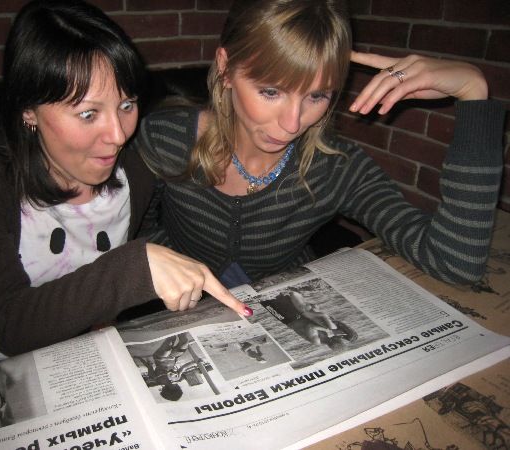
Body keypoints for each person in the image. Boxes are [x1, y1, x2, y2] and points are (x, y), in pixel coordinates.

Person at [0, 0, 251, 362]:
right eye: (88, 114)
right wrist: (134, 269)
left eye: (126, 105)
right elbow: (8, 326)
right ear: (28, 110)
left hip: (99, 356)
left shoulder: (137, 165)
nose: (118, 136)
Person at [136, 0, 505, 288]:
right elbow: (137, 234)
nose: (293, 123)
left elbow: (454, 263)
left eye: (317, 96)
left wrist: (473, 92)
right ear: (225, 68)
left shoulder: (335, 167)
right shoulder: (164, 139)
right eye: (271, 91)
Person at [136, 334, 198, 401]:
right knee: (184, 342)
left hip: (161, 358)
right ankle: (181, 332)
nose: (177, 385)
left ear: (170, 389)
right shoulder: (177, 378)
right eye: (177, 387)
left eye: (175, 387)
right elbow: (183, 368)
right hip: (173, 357)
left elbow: (149, 367)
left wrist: (140, 359)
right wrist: (194, 362)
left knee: (169, 344)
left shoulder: (157, 379)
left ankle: (172, 335)